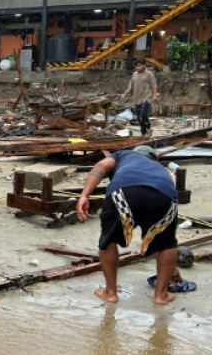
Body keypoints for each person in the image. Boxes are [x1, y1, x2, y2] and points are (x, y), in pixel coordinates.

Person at [76, 146, 187, 305]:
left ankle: (110, 292)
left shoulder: (123, 154)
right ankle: (161, 295)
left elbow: (101, 166)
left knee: (109, 240)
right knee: (166, 243)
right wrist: (171, 269)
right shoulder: (159, 168)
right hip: (163, 195)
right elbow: (164, 247)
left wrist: (84, 195)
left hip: (122, 193)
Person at [121, 59, 158, 137]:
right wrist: (125, 93)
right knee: (139, 118)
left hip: (146, 98)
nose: (137, 68)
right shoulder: (134, 74)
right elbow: (130, 85)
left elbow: (154, 85)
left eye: (139, 66)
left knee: (143, 114)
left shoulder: (149, 74)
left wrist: (154, 96)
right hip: (137, 99)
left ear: (144, 65)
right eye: (136, 66)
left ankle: (149, 128)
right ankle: (143, 134)